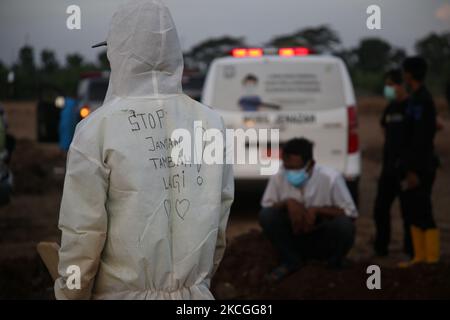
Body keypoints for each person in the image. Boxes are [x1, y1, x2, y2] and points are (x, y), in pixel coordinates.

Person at [54, 0, 234, 299]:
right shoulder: (211, 122)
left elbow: (83, 234)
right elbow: (219, 223)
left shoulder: (97, 129)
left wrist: (69, 294)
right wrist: (194, 286)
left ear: (118, 52)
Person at [259, 138, 357, 281]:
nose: (290, 172)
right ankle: (291, 260)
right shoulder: (279, 176)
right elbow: (267, 206)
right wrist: (287, 203)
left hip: (322, 235)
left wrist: (317, 210)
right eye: (287, 167)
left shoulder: (331, 178)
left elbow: (350, 212)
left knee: (345, 226)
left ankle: (333, 263)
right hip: (293, 235)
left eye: (295, 168)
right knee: (267, 216)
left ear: (310, 164)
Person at [398, 56, 439, 267]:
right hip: (413, 165)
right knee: (413, 210)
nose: (403, 75)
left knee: (423, 209)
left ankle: (431, 259)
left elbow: (421, 138)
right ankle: (418, 257)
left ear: (410, 74)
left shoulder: (422, 100)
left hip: (421, 165)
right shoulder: (415, 98)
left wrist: (413, 170)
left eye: (404, 71)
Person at [373, 69, 412, 257]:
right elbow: (383, 127)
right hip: (388, 167)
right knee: (380, 209)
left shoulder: (412, 106)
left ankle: (410, 250)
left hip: (406, 168)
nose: (387, 88)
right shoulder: (391, 107)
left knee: (409, 212)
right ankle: (381, 248)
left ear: (401, 85)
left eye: (390, 84)